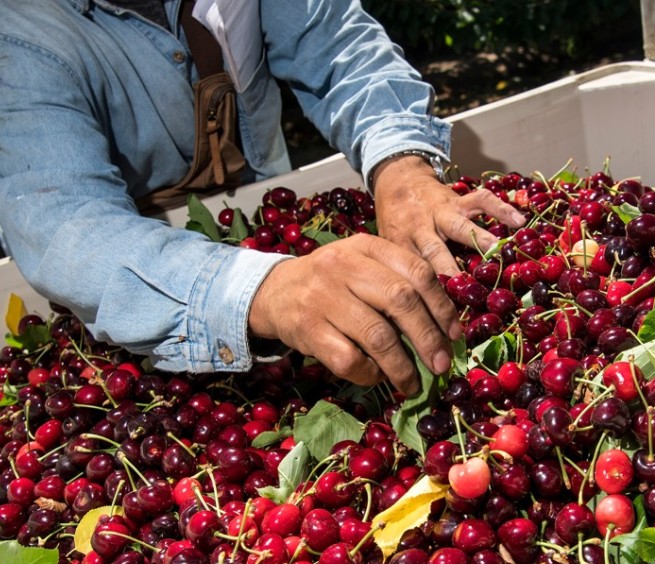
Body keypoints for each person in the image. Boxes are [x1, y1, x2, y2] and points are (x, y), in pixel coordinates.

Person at [0, 0, 525, 395]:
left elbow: (339, 48)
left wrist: (401, 168)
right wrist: (267, 290)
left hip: (277, 233)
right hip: (146, 300)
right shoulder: (18, 31)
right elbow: (66, 226)